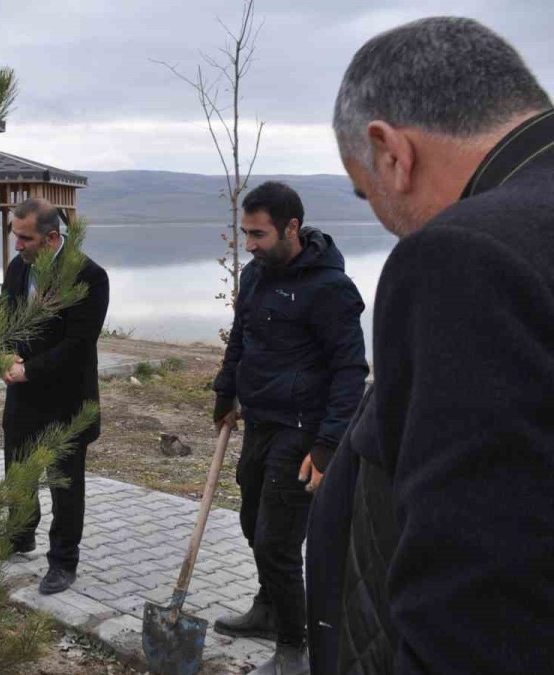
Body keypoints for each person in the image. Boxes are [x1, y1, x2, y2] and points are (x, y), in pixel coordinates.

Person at [309, 17, 554, 675]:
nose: (385, 222)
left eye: (367, 193)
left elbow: (478, 608)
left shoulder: (469, 255)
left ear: (391, 151)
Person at [210, 181, 367, 675]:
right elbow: (242, 336)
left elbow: (350, 371)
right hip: (260, 421)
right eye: (245, 233)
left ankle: (293, 651)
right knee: (252, 524)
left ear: (292, 228)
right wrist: (224, 391)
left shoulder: (331, 290)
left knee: (277, 541)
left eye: (258, 234)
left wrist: (327, 446)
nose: (250, 245)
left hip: (302, 429)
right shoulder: (256, 276)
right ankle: (269, 606)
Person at [1, 197, 110, 596]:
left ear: (51, 238)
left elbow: (79, 344)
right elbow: (6, 316)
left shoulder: (89, 276)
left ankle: (63, 561)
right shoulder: (18, 268)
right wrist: (3, 353)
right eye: (15, 236)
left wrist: (28, 369)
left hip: (66, 401)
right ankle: (19, 535)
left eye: (25, 238)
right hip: (22, 396)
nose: (17, 246)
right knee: (18, 470)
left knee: (64, 485)